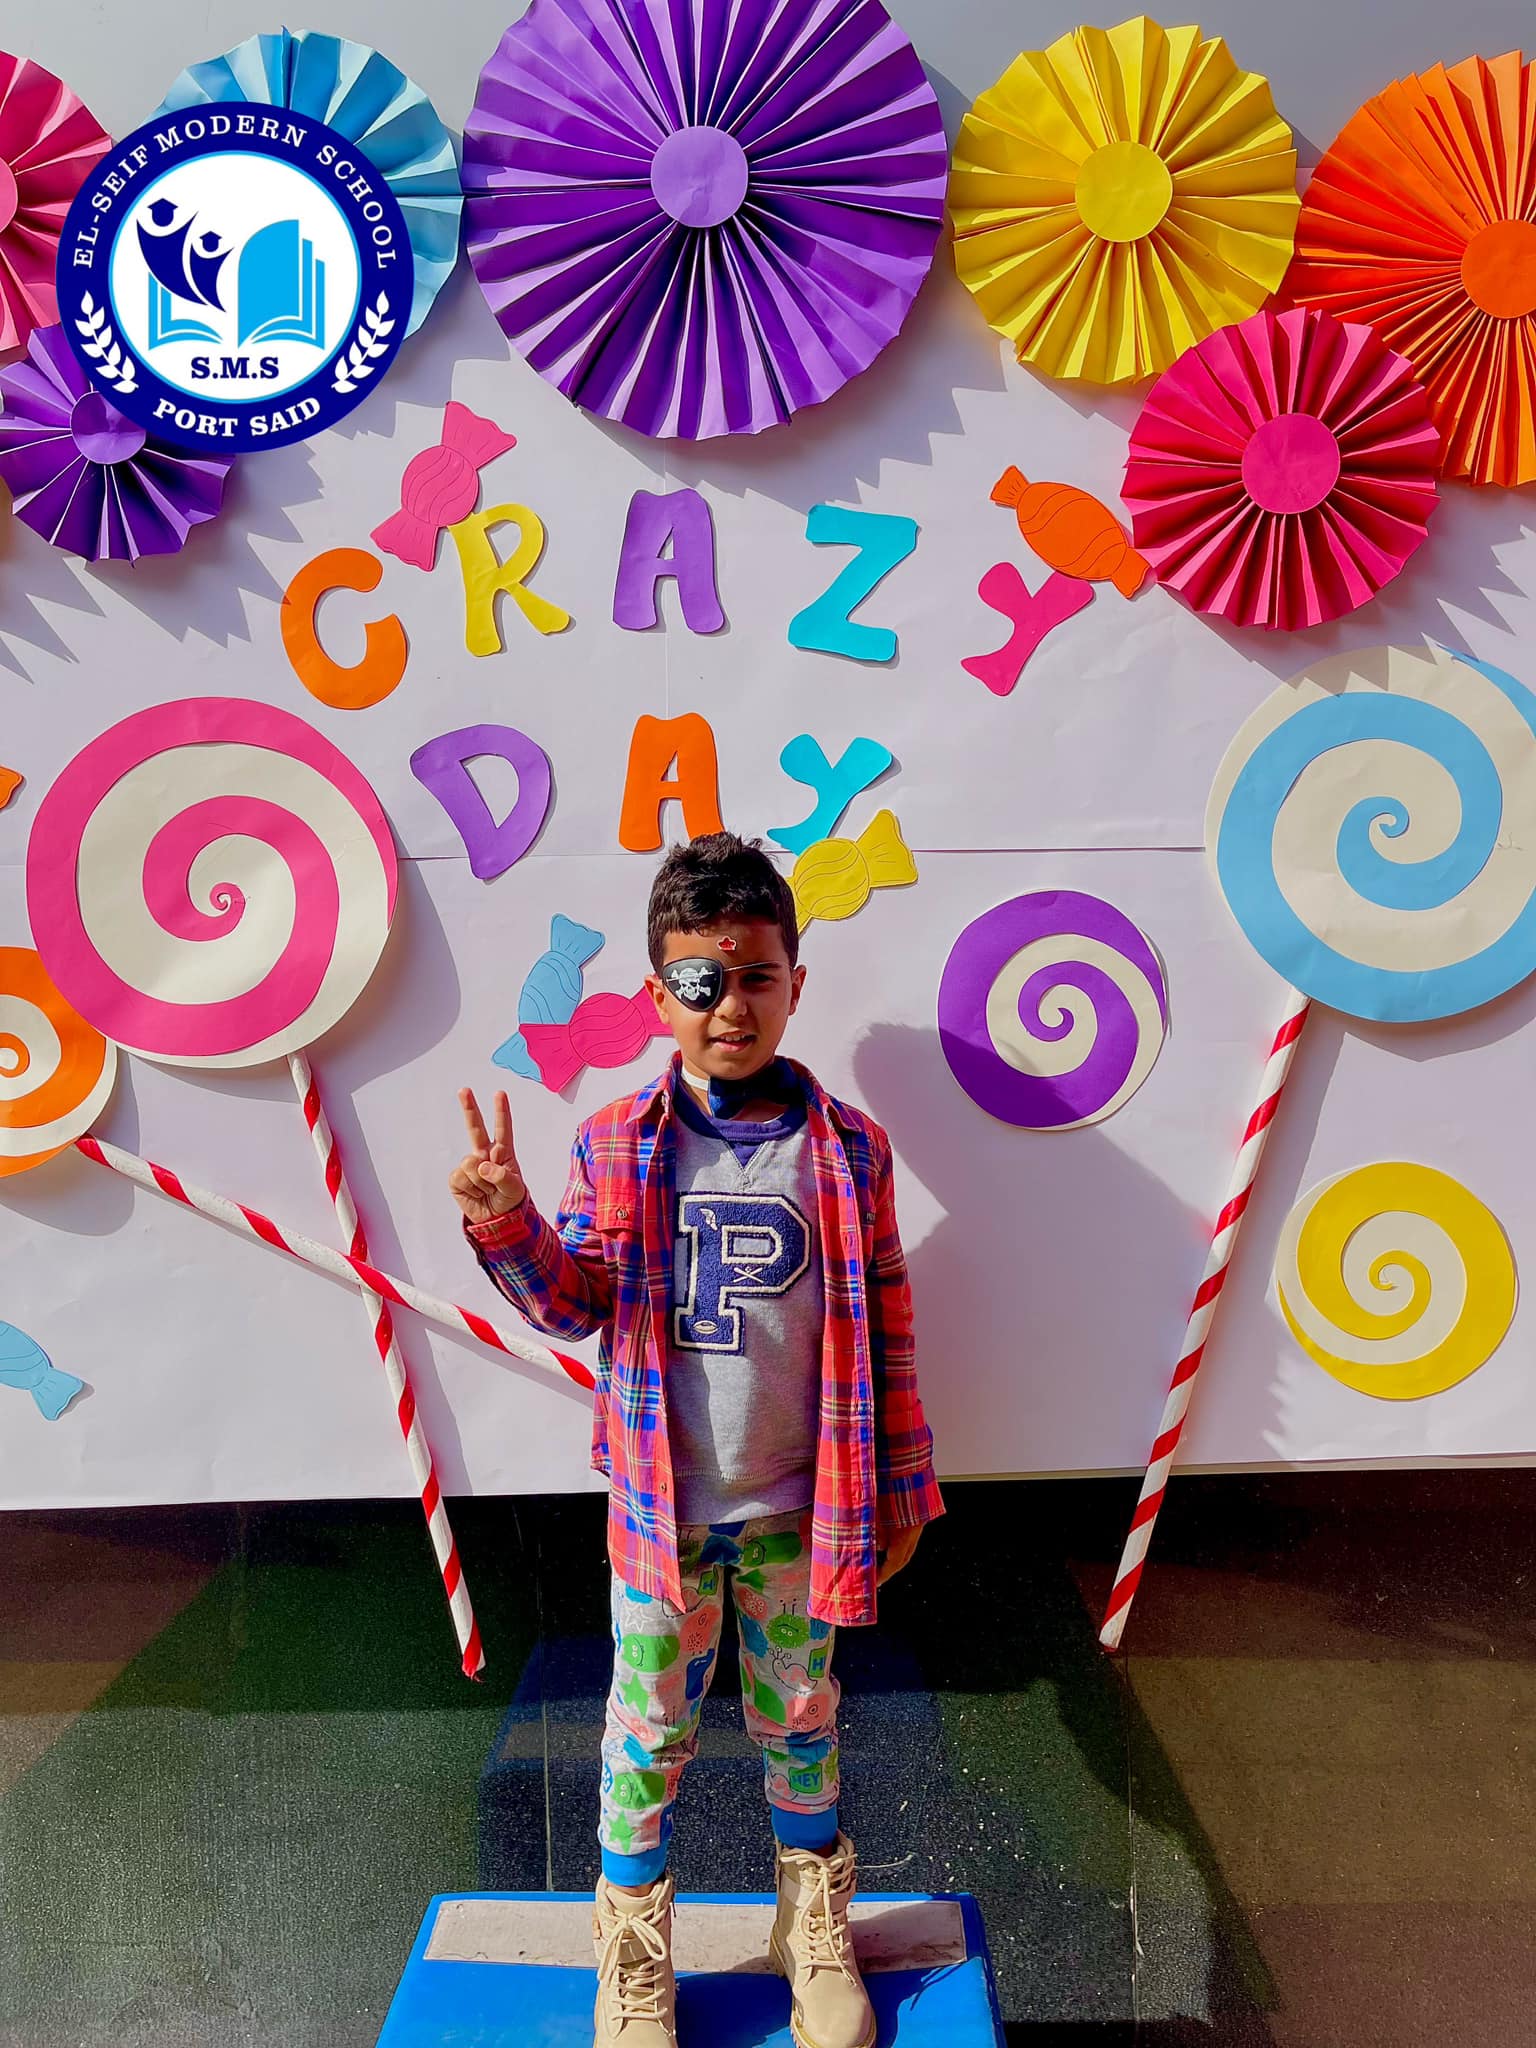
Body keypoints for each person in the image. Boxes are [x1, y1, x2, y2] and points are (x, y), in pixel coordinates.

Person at [450, 831, 942, 2048]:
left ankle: (810, 1926)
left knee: (803, 1714)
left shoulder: (850, 1149)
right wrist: (509, 1222)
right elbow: (575, 1303)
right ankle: (632, 1951)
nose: (730, 1004)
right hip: (662, 1517)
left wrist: (904, 1486)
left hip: (800, 1510)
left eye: (755, 974)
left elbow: (888, 1320)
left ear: (794, 982)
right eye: (700, 980)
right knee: (647, 1732)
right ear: (658, 994)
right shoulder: (618, 1139)